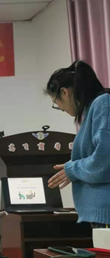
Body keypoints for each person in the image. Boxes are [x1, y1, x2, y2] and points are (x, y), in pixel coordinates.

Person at [47, 60, 110, 228]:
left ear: (64, 92)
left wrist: (73, 169)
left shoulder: (103, 103)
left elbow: (105, 161)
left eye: (57, 103)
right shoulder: (94, 107)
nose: (61, 109)